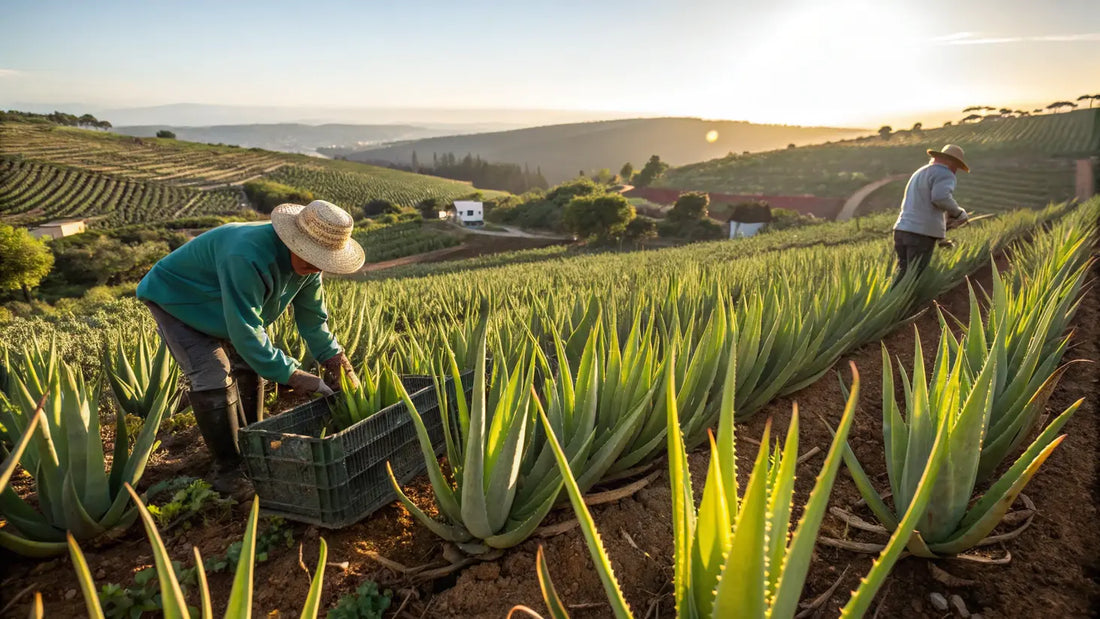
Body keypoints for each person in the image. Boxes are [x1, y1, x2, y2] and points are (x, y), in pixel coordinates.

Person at [137, 200, 364, 495]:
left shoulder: (310, 268)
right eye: (311, 258)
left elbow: (313, 321)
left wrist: (337, 362)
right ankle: (227, 471)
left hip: (223, 304)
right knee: (212, 372)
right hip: (178, 297)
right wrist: (292, 375)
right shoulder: (246, 254)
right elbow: (245, 328)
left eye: (322, 261)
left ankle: (251, 442)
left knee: (249, 365)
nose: (314, 267)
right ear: (292, 240)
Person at [892, 144, 970, 280]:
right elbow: (941, 198)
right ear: (951, 162)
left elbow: (926, 202)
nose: (955, 170)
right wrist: (959, 213)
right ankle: (912, 301)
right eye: (956, 166)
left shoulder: (920, 172)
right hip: (920, 234)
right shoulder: (945, 174)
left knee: (903, 275)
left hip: (902, 230)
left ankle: (894, 300)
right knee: (914, 278)